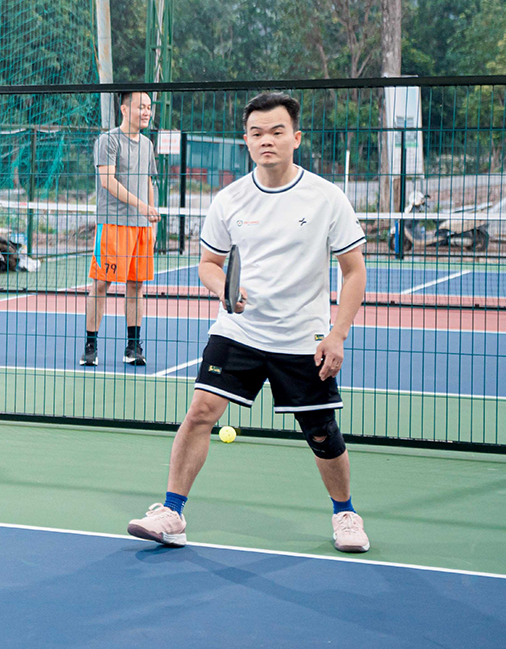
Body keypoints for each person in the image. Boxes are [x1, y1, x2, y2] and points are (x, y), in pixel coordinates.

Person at [128, 92, 371, 554]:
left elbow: (353, 270)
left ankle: (345, 513)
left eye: (277, 131)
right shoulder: (230, 198)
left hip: (303, 337)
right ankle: (172, 512)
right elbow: (208, 263)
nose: (267, 141)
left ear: (296, 138)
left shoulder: (326, 197)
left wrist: (337, 334)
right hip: (238, 331)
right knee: (201, 412)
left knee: (321, 431)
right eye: (257, 133)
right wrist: (223, 289)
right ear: (246, 140)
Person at [82, 90, 159, 368]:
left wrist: (151, 221)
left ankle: (133, 347)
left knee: (136, 286)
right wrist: (141, 206)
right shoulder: (109, 140)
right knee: (101, 284)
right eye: (141, 107)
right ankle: (91, 346)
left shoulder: (147, 144)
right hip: (113, 223)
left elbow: (148, 182)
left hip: (141, 227)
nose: (146, 112)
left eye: (149, 107)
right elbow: (108, 181)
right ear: (125, 109)